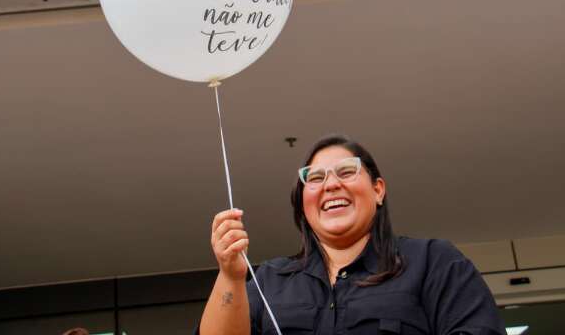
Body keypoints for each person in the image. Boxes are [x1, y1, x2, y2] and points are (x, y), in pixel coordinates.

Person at [199, 134, 504, 334]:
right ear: (303, 202)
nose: (331, 184)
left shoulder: (433, 262)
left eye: (346, 172)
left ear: (378, 190)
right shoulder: (267, 281)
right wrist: (230, 276)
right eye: (315, 178)